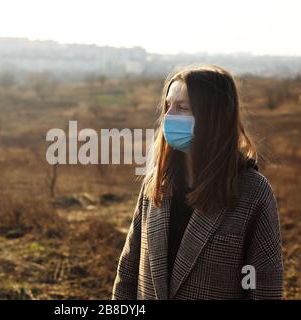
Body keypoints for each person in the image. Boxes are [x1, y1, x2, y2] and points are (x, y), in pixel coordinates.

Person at [112, 64, 283, 299]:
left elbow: (264, 287)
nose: (169, 117)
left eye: (182, 108)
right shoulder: (156, 184)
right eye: (168, 106)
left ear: (213, 117)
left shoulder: (252, 193)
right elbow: (128, 272)